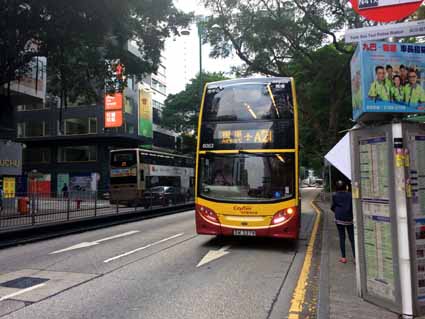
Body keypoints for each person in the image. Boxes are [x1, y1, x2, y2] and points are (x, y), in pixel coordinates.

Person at [331, 180, 355, 264]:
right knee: (352, 238)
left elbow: (332, 207)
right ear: (346, 187)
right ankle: (355, 258)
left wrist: (337, 212)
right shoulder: (350, 195)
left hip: (339, 218)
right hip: (349, 218)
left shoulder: (335, 195)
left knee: (342, 237)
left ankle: (343, 257)